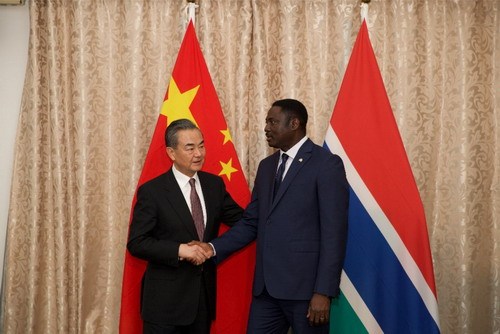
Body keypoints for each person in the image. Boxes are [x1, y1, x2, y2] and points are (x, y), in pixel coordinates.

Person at [197, 99, 349, 333]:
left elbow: (334, 233)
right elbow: (251, 222)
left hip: (306, 292)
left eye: (272, 122)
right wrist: (211, 248)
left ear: (294, 123)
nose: (266, 128)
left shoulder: (326, 164)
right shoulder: (267, 166)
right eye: (267, 122)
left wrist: (323, 291)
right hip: (266, 291)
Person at [127, 119, 244, 334]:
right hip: (164, 306)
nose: (199, 153)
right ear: (171, 152)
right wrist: (181, 250)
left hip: (202, 302)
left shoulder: (214, 185)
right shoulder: (153, 191)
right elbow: (137, 242)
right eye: (190, 148)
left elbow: (243, 222)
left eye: (201, 145)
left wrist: (213, 247)